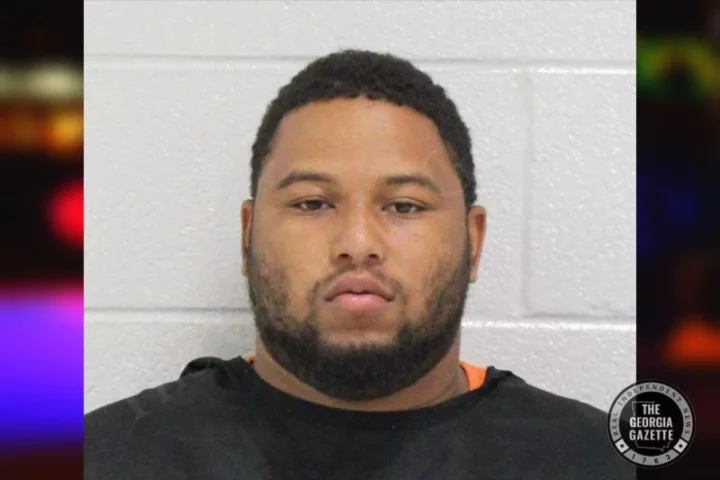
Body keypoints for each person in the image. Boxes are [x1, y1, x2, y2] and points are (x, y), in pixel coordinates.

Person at [84, 49, 633, 479]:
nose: (357, 242)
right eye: (312, 203)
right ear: (248, 236)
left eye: (404, 206)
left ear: (474, 240)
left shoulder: (597, 462)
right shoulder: (105, 458)